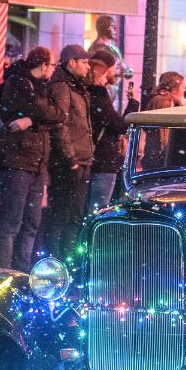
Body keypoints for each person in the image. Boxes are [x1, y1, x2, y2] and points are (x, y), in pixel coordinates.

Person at [0, 47, 63, 270]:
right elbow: (42, 110)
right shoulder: (18, 82)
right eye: (52, 65)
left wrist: (33, 122)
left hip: (36, 163)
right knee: (11, 222)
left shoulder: (43, 88)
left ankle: (21, 272)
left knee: (32, 222)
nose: (52, 70)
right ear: (43, 65)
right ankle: (2, 273)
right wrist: (38, 117)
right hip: (16, 161)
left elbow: (59, 116)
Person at [42, 44, 96, 259]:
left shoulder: (75, 87)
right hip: (69, 163)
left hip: (81, 160)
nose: (88, 67)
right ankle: (56, 262)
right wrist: (71, 159)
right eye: (84, 62)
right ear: (71, 62)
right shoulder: (62, 87)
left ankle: (67, 261)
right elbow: (60, 124)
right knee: (62, 216)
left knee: (74, 216)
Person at [87, 49, 132, 213]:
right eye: (113, 67)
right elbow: (118, 125)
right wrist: (132, 107)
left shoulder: (91, 93)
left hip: (95, 158)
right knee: (99, 208)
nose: (116, 72)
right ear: (105, 70)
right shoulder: (98, 95)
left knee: (92, 206)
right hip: (103, 159)